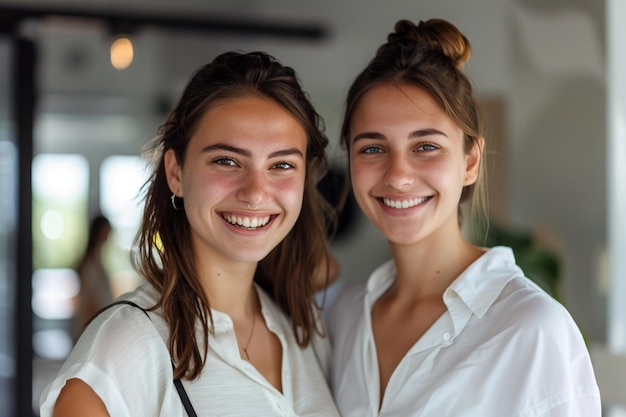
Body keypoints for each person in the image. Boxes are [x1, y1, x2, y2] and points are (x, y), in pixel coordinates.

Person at [40, 51, 341, 417]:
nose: (256, 192)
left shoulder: (304, 331)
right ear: (176, 173)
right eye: (227, 161)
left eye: (281, 165)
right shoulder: (125, 349)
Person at [328, 18, 601, 416]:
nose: (398, 176)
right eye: (372, 149)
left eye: (425, 146)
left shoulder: (532, 327)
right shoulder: (346, 315)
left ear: (470, 161)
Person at [72, 215, 114, 341]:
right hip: (91, 329)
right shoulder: (90, 265)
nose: (108, 236)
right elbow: (89, 303)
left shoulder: (97, 261)